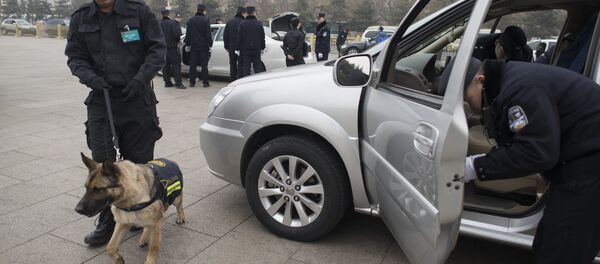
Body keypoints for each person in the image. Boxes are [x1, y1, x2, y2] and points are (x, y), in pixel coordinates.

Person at [461, 58, 600, 264]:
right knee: (546, 241)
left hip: (589, 169)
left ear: (479, 81)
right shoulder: (514, 82)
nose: (471, 109)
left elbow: (537, 152)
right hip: (579, 161)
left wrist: (475, 167)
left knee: (561, 252)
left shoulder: (521, 90)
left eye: (466, 99)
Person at [65, 0, 165, 246]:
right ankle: (107, 222)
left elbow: (157, 49)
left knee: (139, 160)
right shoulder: (81, 17)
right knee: (102, 161)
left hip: (137, 97)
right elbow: (75, 56)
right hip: (102, 98)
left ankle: (138, 209)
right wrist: (90, 78)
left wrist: (141, 79)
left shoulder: (138, 11)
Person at [184, 4, 212, 87]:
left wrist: (188, 44)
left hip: (194, 46)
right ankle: (205, 82)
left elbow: (188, 34)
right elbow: (208, 34)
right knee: (204, 65)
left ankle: (192, 82)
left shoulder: (191, 20)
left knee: (193, 65)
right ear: (203, 10)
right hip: (203, 46)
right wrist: (210, 44)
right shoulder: (206, 20)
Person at [236, 6, 265, 77]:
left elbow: (239, 37)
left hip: (245, 49)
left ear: (246, 13)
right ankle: (258, 81)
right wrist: (262, 47)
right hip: (256, 49)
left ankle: (246, 83)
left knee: (246, 67)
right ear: (254, 12)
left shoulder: (242, 24)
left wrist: (238, 48)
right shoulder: (259, 24)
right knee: (257, 67)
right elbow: (262, 37)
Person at [160, 9, 185, 89]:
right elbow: (177, 35)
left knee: (165, 66)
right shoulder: (173, 23)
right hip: (173, 47)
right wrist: (177, 41)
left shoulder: (159, 24)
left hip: (163, 48)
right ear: (168, 14)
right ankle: (178, 83)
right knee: (176, 66)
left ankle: (167, 82)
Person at [223, 6, 246, 81]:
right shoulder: (244, 22)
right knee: (241, 64)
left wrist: (226, 46)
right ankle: (239, 80)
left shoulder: (229, 22)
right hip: (241, 47)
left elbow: (225, 35)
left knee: (232, 64)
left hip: (231, 47)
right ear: (242, 13)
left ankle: (232, 80)